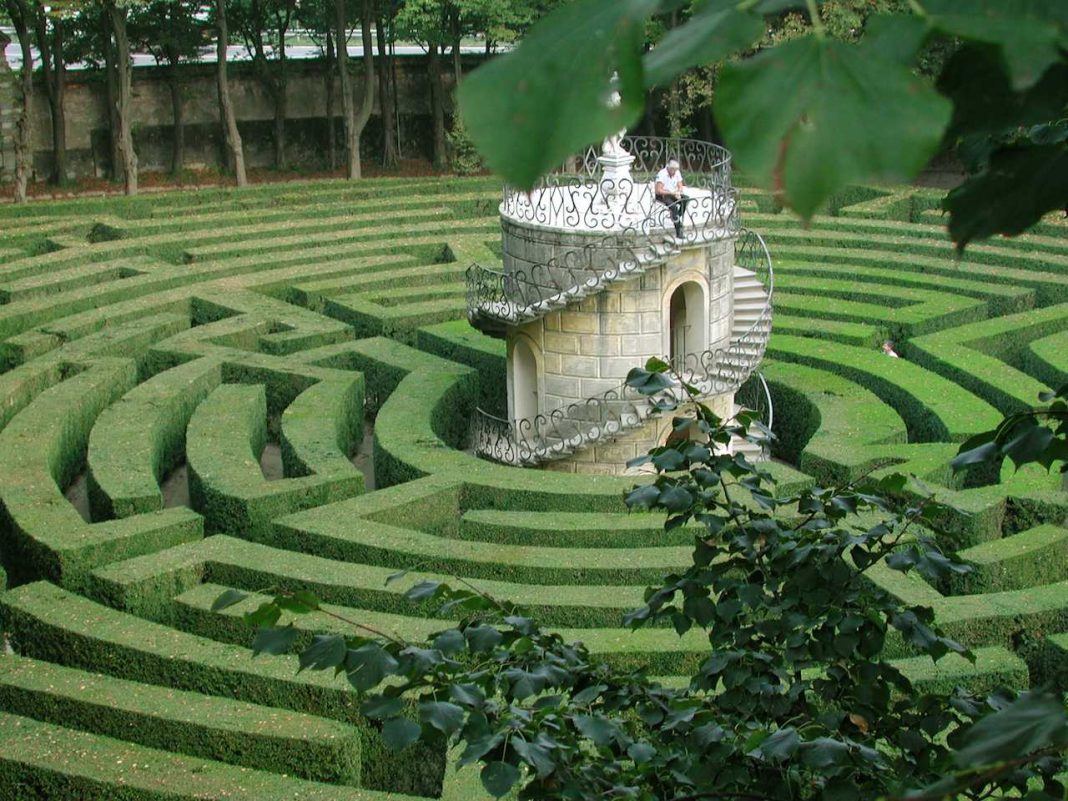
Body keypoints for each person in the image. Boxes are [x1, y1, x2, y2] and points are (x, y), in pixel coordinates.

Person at [655, 159, 689, 238]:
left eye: (675, 170)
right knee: (673, 206)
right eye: (673, 170)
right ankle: (678, 230)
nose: (674, 172)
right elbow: (658, 190)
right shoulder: (662, 174)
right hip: (663, 195)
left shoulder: (676, 172)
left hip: (673, 193)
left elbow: (680, 185)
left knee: (686, 199)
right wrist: (672, 193)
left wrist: (679, 192)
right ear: (669, 168)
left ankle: (677, 216)